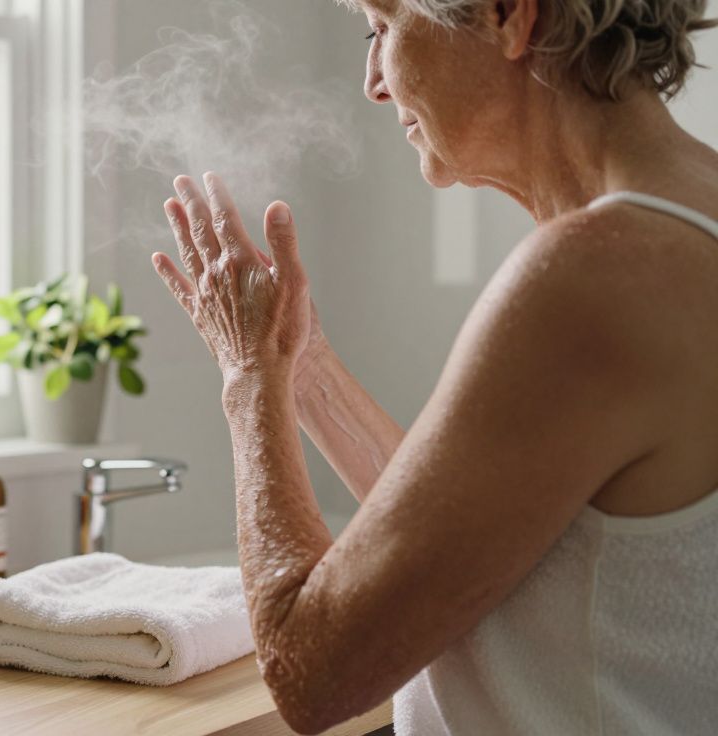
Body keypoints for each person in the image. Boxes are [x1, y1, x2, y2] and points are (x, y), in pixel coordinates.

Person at [151, 0, 718, 732]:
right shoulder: (683, 224)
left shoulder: (590, 279)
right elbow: (459, 537)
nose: (373, 82)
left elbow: (309, 670)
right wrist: (303, 366)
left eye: (381, 27)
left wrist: (247, 378)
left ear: (508, 15)